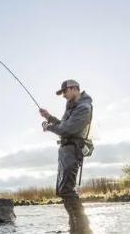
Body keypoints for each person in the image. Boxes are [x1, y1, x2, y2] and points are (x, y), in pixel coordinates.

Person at [39, 79, 93, 234]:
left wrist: (49, 127)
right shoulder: (72, 107)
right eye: (62, 92)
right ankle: (75, 228)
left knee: (67, 190)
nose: (63, 95)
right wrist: (48, 117)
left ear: (74, 89)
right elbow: (62, 125)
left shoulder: (84, 107)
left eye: (65, 91)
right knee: (63, 190)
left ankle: (83, 229)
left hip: (72, 150)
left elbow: (67, 129)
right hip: (65, 152)